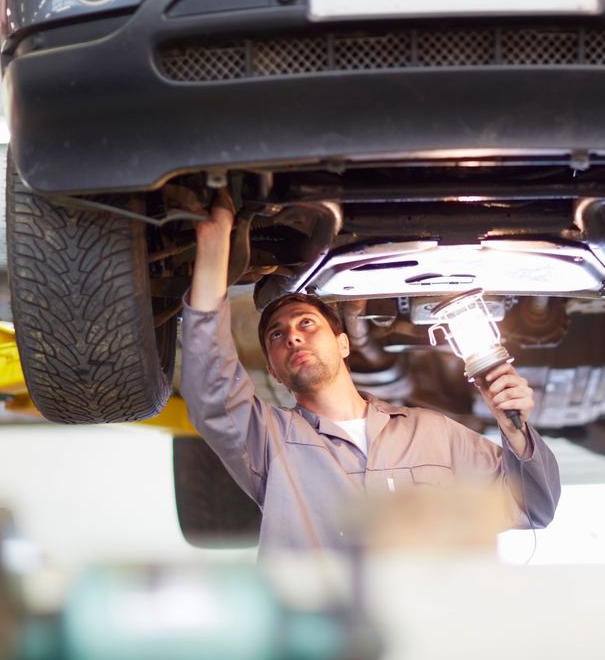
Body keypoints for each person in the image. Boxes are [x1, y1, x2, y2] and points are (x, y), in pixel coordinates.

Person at [180, 190, 561, 554]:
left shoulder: (435, 434)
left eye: (307, 324)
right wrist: (212, 260)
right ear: (273, 372)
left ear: (343, 344)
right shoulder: (268, 442)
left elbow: (532, 508)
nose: (293, 337)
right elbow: (212, 390)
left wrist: (515, 432)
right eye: (278, 334)